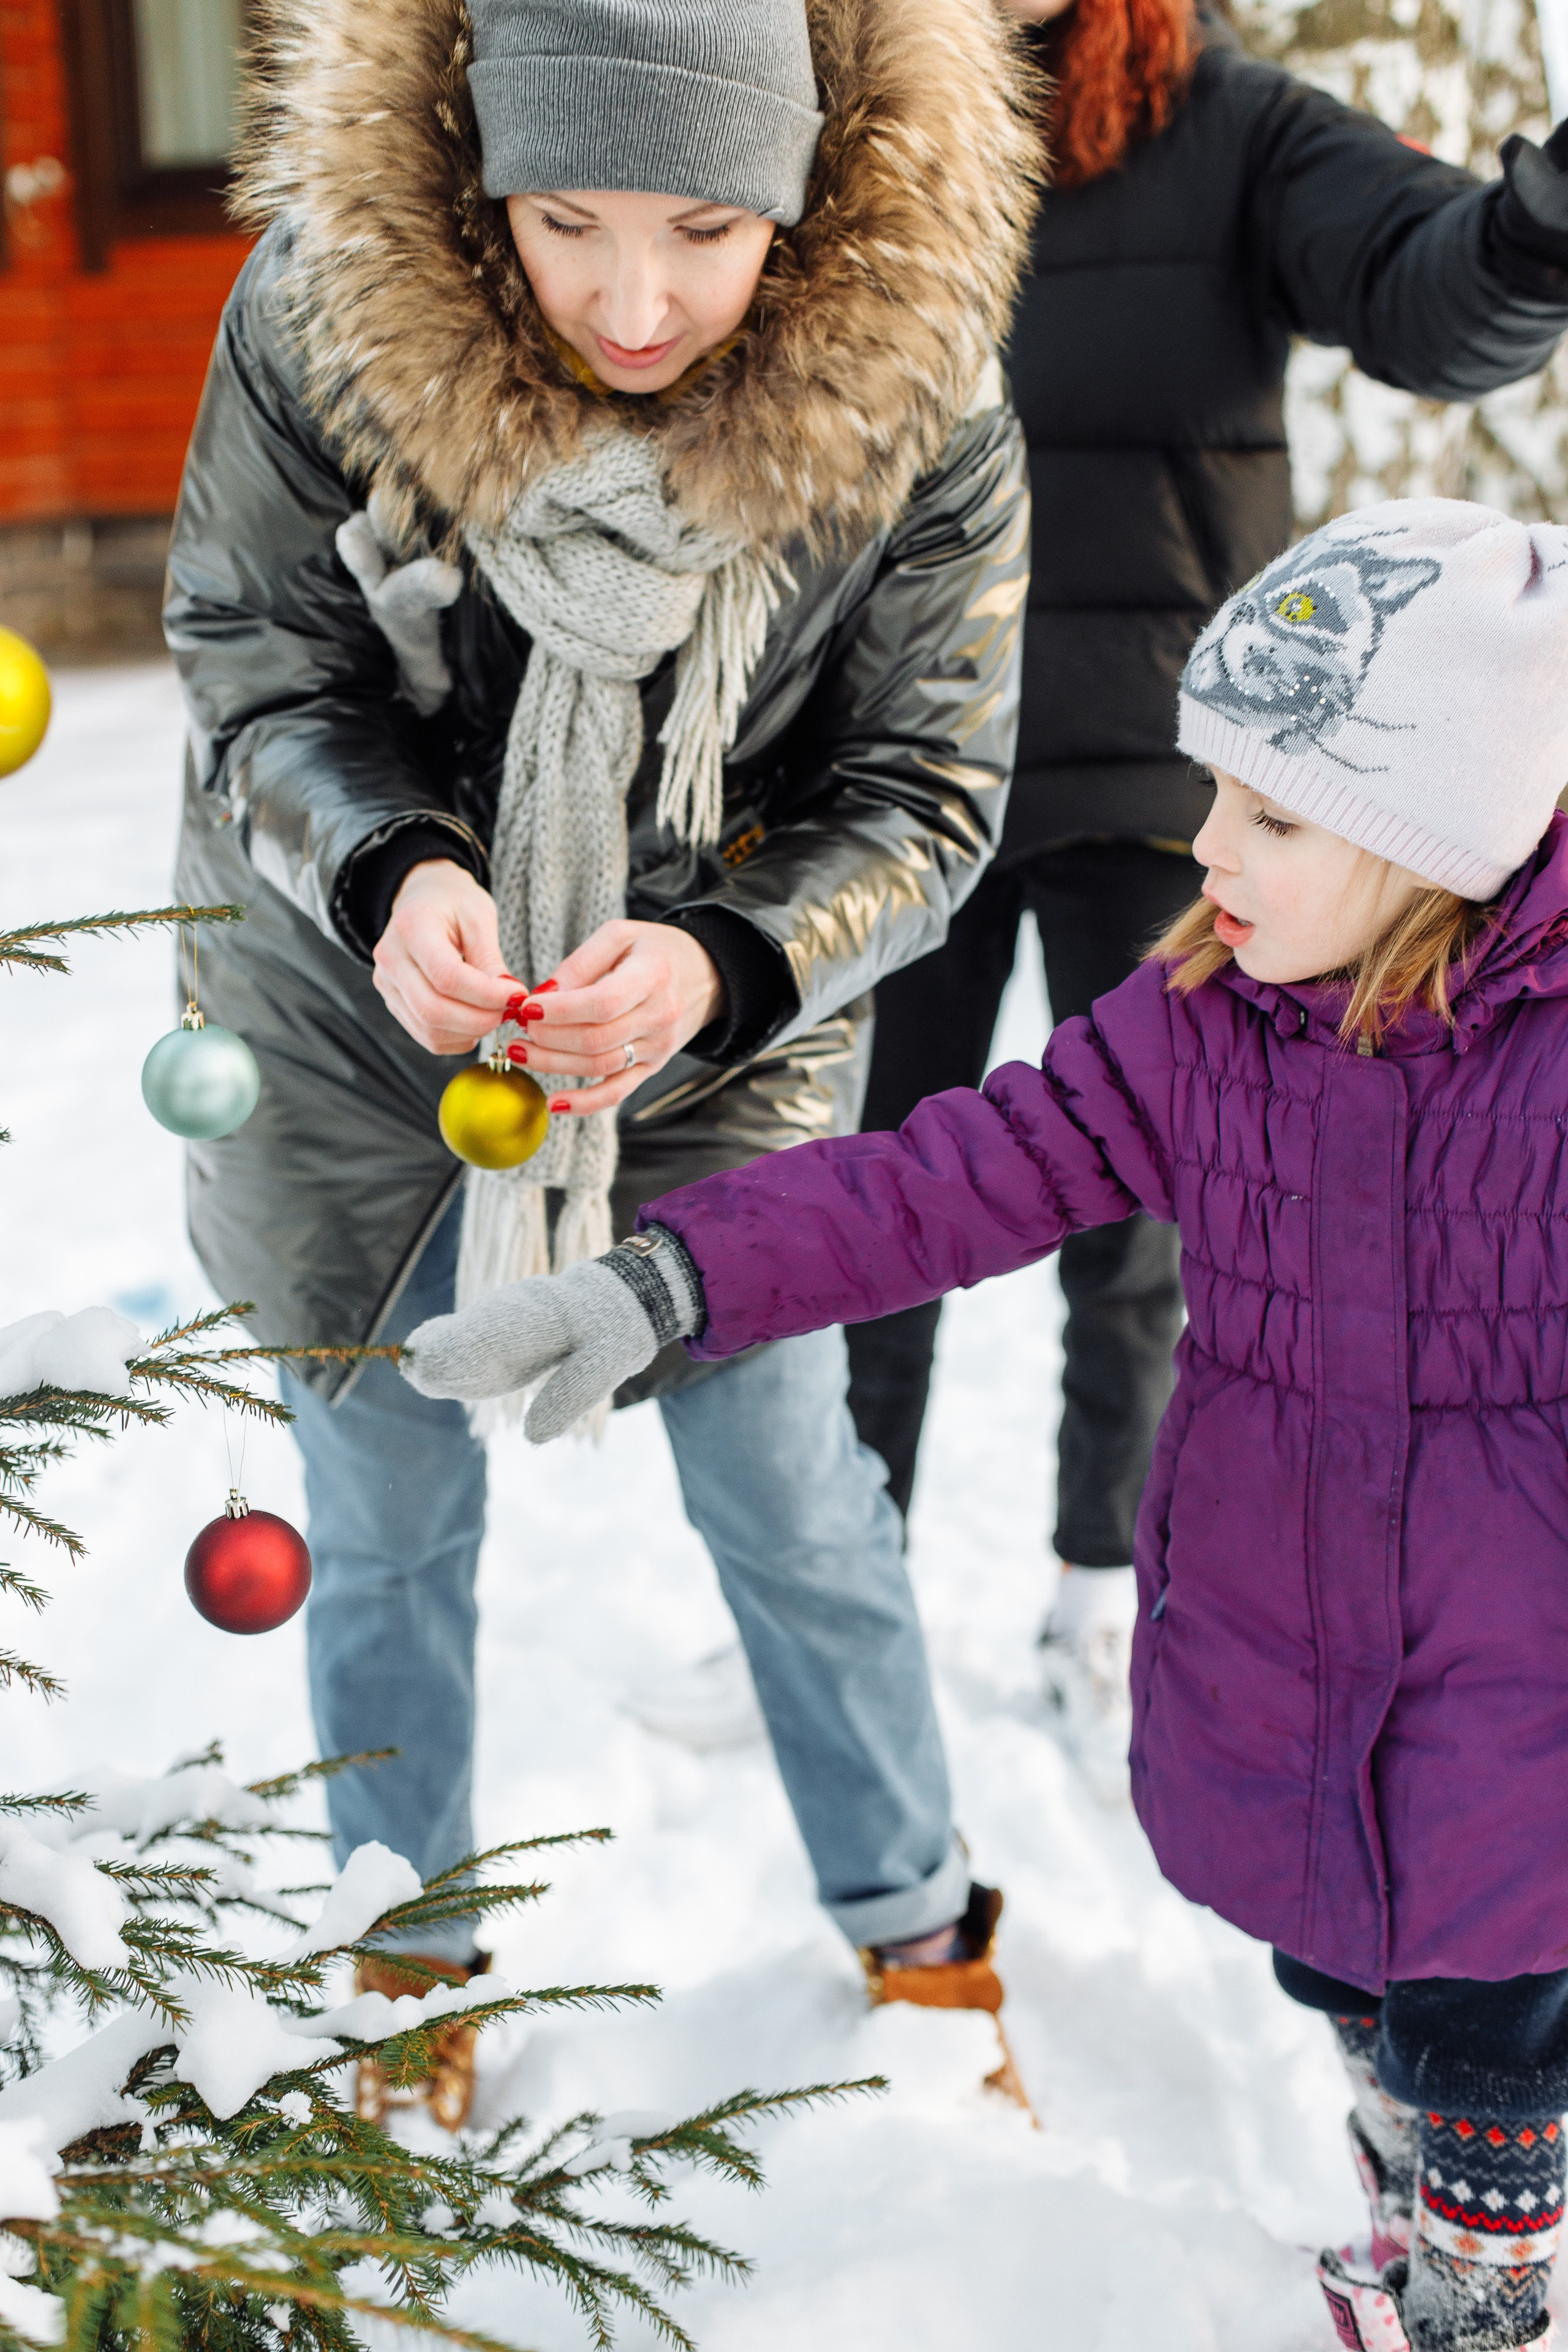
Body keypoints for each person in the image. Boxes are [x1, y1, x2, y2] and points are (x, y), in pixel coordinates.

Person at [405, 496, 1568, 2351]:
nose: (1211, 851)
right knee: (1342, 1960)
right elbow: (958, 1174)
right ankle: (1407, 2158)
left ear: (1437, 840)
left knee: (1496, 2004)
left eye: (1272, 814)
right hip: (1292, 1630)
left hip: (1527, 1661)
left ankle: (1480, 2301)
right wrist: (672, 1281)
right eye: (1216, 795)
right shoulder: (1207, 1015)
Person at [163, 0, 1036, 2125]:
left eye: (707, 237)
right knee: (378, 1520)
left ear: (810, 200)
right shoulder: (327, 317)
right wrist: (384, 874)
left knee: (793, 1501)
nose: (634, 302)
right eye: (567, 226)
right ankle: (408, 1963)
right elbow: (253, 652)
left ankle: (919, 1938)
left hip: (707, 1034)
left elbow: (927, 786)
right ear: (478, 173)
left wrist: (731, 962)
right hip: (348, 1003)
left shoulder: (915, 396)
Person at [840, 0, 1568, 1791]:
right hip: (900, 773)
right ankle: (839, 1579)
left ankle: (1102, 1587)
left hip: (1172, 791)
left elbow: (1427, 291)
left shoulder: (1224, 120)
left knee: (1147, 1232)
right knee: (876, 1190)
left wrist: (1542, 220)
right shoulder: (849, 120)